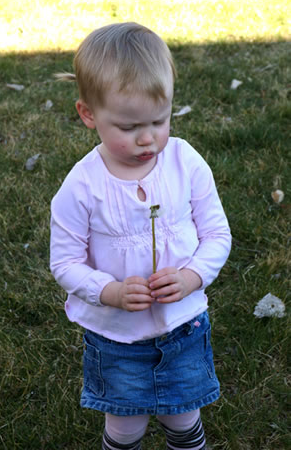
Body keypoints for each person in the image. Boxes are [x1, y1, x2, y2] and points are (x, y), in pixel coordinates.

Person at [50, 22, 231, 450]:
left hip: (183, 326)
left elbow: (217, 234)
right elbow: (65, 263)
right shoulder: (81, 187)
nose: (148, 137)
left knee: (183, 415)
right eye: (129, 127)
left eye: (159, 120)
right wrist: (108, 291)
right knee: (124, 426)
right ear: (88, 115)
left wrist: (191, 277)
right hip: (116, 337)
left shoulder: (185, 162)